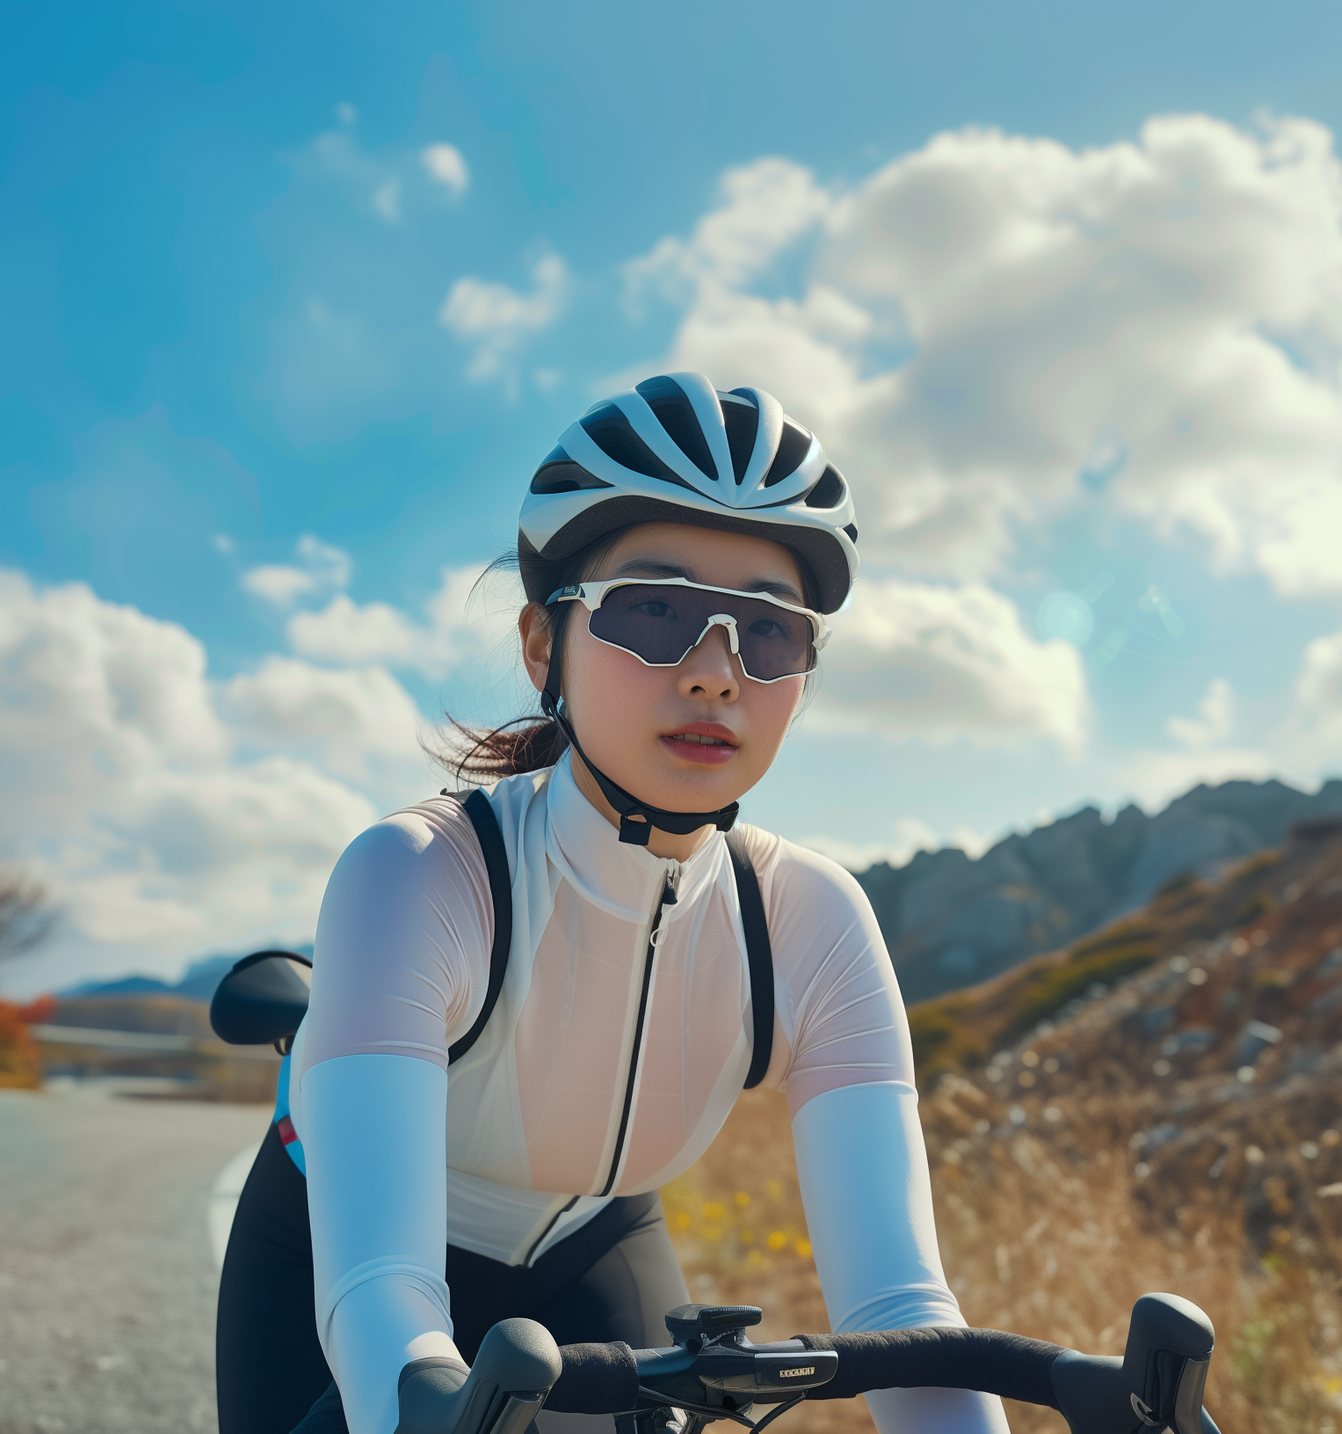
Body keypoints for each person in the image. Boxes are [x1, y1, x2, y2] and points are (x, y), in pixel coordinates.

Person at [216, 372, 1004, 1434]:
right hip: (342, 1251)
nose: (716, 672)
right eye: (656, 611)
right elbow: (383, 1302)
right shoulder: (420, 875)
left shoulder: (810, 921)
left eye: (768, 631)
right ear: (546, 646)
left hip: (595, 1244)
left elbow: (903, 1311)